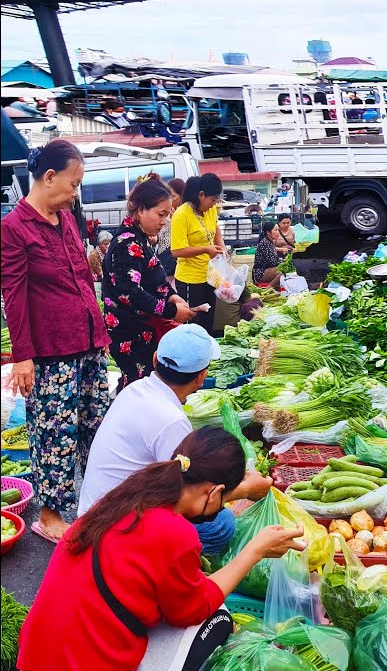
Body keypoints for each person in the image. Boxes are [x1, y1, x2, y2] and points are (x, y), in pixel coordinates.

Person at [20, 426, 304, 671]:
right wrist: (254, 551)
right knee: (218, 619)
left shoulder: (132, 492)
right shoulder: (175, 533)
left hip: (36, 655)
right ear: (215, 492)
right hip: (85, 662)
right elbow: (192, 611)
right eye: (224, 499)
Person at [0, 140, 111, 542]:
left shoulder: (65, 219)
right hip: (51, 351)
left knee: (96, 426)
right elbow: (13, 296)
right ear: (49, 177)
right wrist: (23, 357)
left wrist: (99, 331)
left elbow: (82, 279)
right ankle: (49, 516)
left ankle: (96, 501)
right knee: (54, 434)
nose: (76, 193)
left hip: (88, 342)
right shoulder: (13, 229)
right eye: (73, 183)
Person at [79, 325, 272, 546]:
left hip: (95, 512)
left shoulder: (135, 388)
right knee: (221, 524)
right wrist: (245, 490)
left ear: (155, 360)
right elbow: (185, 499)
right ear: (202, 377)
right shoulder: (171, 421)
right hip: (112, 529)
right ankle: (162, 559)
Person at [103, 174, 198, 386]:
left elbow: (154, 279)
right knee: (138, 386)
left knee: (142, 384)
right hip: (129, 333)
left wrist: (171, 296)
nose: (164, 221)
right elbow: (130, 293)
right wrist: (171, 311)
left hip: (142, 331)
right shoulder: (127, 244)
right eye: (161, 214)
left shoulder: (140, 239)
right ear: (141, 211)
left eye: (167, 215)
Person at [170, 173, 225, 332]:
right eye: (213, 200)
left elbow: (216, 230)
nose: (214, 204)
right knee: (192, 325)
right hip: (190, 280)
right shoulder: (182, 214)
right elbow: (177, 250)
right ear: (201, 195)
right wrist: (206, 249)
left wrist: (222, 249)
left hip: (210, 277)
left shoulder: (210, 210)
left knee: (207, 323)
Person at [157, 178, 183, 281]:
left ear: (181, 197)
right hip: (164, 259)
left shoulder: (184, 215)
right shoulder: (164, 213)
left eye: (173, 196)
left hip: (176, 261)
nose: (170, 200)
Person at [253, 219, 285, 289]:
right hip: (260, 273)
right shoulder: (265, 243)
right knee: (284, 270)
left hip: (268, 269)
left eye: (278, 230)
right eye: (275, 230)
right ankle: (268, 287)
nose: (278, 232)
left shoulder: (270, 242)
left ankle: (275, 286)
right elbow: (273, 262)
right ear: (268, 232)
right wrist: (285, 262)